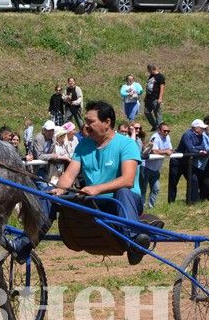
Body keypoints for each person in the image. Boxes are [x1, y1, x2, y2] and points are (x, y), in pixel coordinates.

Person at [44, 101, 149, 265]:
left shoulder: (127, 144)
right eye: (85, 122)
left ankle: (134, 242)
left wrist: (97, 189)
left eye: (90, 122)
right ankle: (29, 239)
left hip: (121, 202)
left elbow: (128, 180)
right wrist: (59, 189)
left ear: (107, 123)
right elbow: (69, 175)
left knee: (122, 191)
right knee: (47, 193)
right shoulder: (84, 145)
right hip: (94, 203)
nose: (86, 126)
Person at [167, 119, 208, 204]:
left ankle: (191, 201)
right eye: (202, 128)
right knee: (173, 183)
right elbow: (190, 149)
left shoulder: (200, 135)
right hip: (177, 162)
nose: (203, 130)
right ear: (196, 128)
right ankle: (171, 203)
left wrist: (195, 149)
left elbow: (203, 146)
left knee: (193, 180)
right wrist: (197, 150)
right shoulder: (187, 135)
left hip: (188, 162)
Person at [143, 124, 172, 209]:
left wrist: (166, 151)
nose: (166, 133)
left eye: (168, 131)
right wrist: (165, 151)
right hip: (146, 167)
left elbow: (170, 149)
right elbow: (153, 151)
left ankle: (151, 206)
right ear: (159, 130)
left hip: (156, 169)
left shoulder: (168, 137)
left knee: (156, 188)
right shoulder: (155, 137)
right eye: (164, 131)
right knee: (143, 189)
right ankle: (142, 207)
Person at [144, 64, 165, 132]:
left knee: (157, 114)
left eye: (148, 70)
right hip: (148, 98)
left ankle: (160, 128)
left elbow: (162, 87)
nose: (148, 71)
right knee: (146, 112)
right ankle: (155, 125)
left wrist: (160, 98)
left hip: (155, 98)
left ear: (152, 69)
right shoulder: (151, 76)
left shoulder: (160, 76)